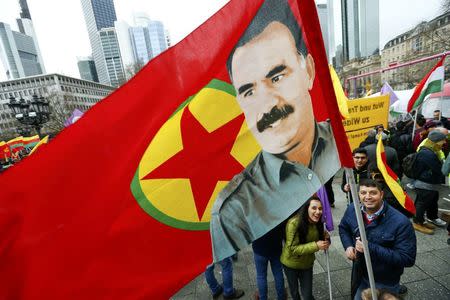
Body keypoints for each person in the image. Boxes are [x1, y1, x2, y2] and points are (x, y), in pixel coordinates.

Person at [210, 0, 340, 261]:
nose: (267, 104)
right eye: (249, 91)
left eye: (277, 77)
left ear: (310, 71)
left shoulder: (341, 143)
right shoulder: (234, 212)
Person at [339, 179, 416, 299]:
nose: (367, 197)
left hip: (385, 282)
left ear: (381, 194)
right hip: (360, 274)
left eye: (373, 193)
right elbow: (343, 228)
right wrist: (348, 246)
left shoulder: (401, 222)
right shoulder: (353, 208)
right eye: (363, 193)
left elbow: (407, 259)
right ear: (358, 194)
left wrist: (370, 247)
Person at [280, 196, 330, 300]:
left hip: (307, 264)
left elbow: (323, 242)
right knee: (294, 293)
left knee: (307, 295)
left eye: (320, 209)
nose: (318, 212)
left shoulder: (319, 223)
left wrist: (327, 240)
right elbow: (292, 249)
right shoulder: (293, 223)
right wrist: (316, 245)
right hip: (290, 264)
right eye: (314, 208)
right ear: (306, 208)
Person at [412, 130, 448, 234]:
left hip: (430, 184)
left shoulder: (431, 150)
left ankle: (423, 220)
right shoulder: (427, 153)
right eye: (442, 141)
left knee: (429, 202)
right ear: (436, 141)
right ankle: (417, 222)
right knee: (421, 204)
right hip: (425, 184)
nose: (444, 143)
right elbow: (438, 169)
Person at [251, 224, 286, 300]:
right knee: (278, 273)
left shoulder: (253, 212)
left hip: (259, 248)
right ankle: (281, 297)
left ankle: (263, 298)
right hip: (276, 247)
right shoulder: (276, 212)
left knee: (261, 276)